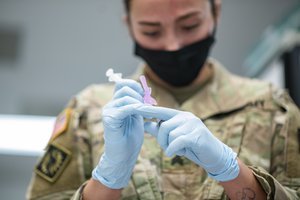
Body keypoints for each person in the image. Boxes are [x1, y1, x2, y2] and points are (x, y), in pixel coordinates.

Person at [26, 0, 300, 199]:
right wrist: (109, 178)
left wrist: (231, 171)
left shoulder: (271, 106)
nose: (173, 45)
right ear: (130, 27)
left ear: (215, 11)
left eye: (189, 25)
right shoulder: (89, 112)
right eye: (151, 32)